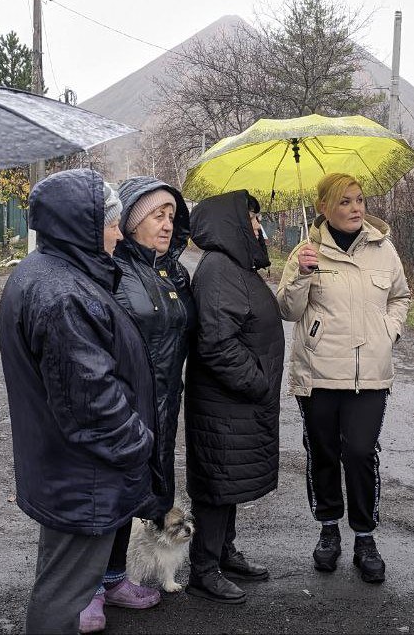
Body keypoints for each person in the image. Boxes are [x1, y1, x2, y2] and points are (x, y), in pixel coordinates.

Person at [0, 169, 158, 634]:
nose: (116, 233)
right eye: (110, 223)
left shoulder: (52, 273)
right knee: (64, 596)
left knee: (61, 581)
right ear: (83, 227)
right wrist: (138, 445)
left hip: (67, 470)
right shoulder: (63, 292)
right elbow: (91, 401)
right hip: (83, 474)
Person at [275, 172, 411, 583]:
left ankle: (365, 536)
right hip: (319, 373)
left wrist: (390, 331)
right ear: (323, 208)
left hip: (370, 373)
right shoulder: (307, 250)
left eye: (359, 200)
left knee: (359, 452)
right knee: (324, 452)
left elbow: (400, 297)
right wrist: (301, 274)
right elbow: (287, 310)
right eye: (345, 202)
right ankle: (329, 528)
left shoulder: (383, 248)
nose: (356, 209)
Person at [75, 177, 196, 631]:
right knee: (103, 493)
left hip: (164, 403)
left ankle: (113, 578)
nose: (166, 225)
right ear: (128, 219)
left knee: (133, 493)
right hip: (122, 403)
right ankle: (86, 590)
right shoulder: (110, 270)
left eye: (171, 216)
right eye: (156, 215)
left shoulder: (173, 272)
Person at [184, 190, 285, 604]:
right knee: (216, 485)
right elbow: (217, 344)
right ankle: (204, 571)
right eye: (253, 219)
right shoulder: (220, 269)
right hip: (225, 404)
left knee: (226, 483)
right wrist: (259, 382)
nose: (259, 226)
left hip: (236, 404)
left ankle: (223, 553)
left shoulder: (236, 265)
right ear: (234, 224)